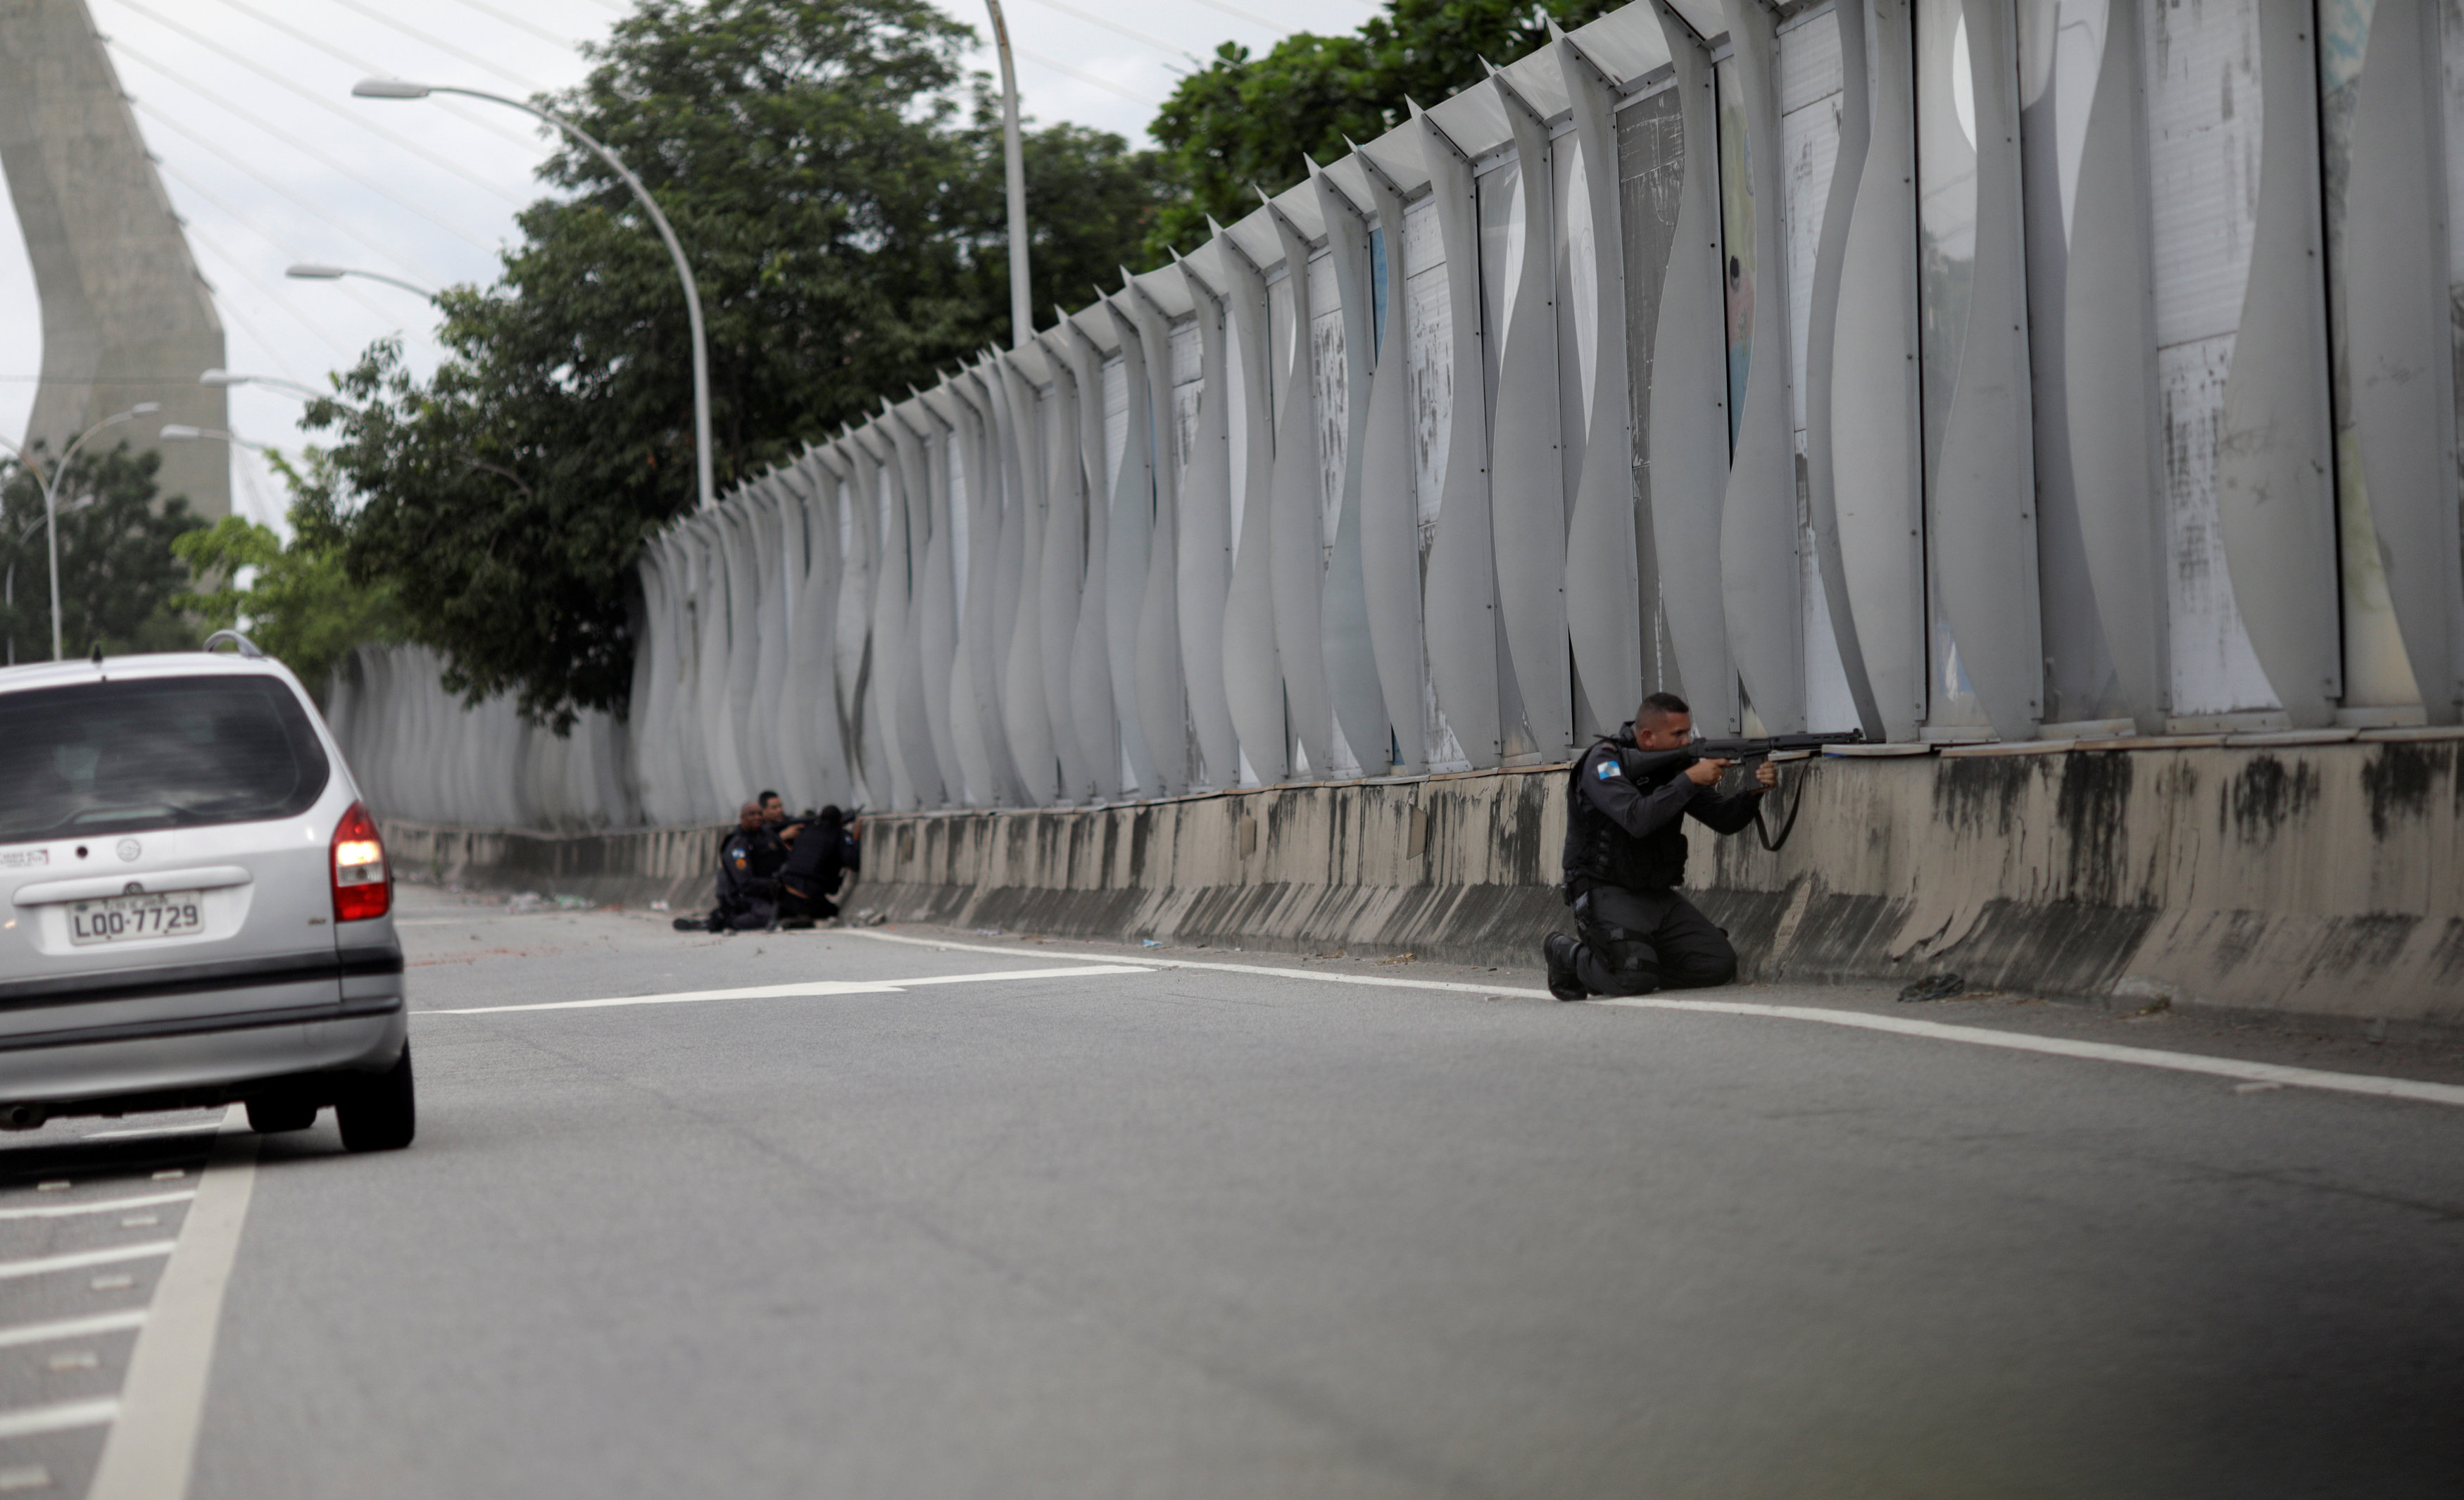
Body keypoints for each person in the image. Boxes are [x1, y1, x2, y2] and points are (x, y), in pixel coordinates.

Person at [1544, 692, 1778, 1001]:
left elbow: (1725, 820)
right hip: (1605, 889)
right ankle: (1568, 954)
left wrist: (1752, 793)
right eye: (1678, 734)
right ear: (1648, 737)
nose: (1687, 742)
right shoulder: (1604, 762)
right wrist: (1690, 779)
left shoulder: (1677, 766)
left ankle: (1627, 964)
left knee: (1715, 965)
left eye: (1689, 732)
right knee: (1632, 978)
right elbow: (1636, 818)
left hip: (1654, 893)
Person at [675, 801, 788, 932]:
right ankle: (725, 922)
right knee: (767, 916)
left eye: (759, 814)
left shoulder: (769, 836)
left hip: (768, 892)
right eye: (752, 814)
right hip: (744, 896)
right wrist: (772, 884)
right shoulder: (738, 845)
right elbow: (744, 882)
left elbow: (786, 857)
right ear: (742, 818)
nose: (757, 817)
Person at [774, 804, 855, 927]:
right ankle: (802, 919)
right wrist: (855, 841)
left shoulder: (806, 830)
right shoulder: (840, 834)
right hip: (809, 896)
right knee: (833, 912)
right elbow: (853, 862)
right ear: (840, 821)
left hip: (784, 892)